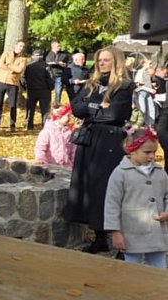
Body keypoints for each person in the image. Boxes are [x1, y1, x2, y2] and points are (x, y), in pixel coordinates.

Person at [63, 46, 134, 254]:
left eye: (106, 60)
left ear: (116, 61)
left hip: (109, 141)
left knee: (108, 188)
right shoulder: (92, 83)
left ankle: (119, 241)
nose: (101, 63)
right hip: (89, 138)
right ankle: (99, 238)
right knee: (90, 187)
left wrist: (91, 108)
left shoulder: (124, 85)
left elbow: (114, 114)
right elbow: (76, 107)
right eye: (99, 60)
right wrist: (98, 106)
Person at [105, 126, 168, 268]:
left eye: (154, 152)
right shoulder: (120, 173)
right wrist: (115, 232)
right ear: (132, 149)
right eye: (147, 152)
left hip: (156, 233)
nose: (152, 156)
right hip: (131, 233)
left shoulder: (160, 173)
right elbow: (111, 204)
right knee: (131, 269)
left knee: (158, 269)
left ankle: (157, 290)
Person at [0, 40, 28, 132]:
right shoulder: (7, 53)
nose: (21, 48)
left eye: (23, 47)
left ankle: (12, 124)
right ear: (16, 45)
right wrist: (13, 68)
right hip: (0, 80)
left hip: (13, 83)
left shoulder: (23, 59)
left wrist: (9, 65)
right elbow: (0, 65)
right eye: (20, 46)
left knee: (12, 104)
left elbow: (19, 70)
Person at [22, 49, 53, 130]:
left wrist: (25, 86)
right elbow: (50, 78)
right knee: (45, 109)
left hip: (31, 89)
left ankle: (29, 125)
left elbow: (22, 77)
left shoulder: (28, 66)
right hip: (44, 90)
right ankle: (45, 126)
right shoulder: (46, 65)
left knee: (30, 108)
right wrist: (50, 87)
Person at [45, 40, 71, 105]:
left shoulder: (64, 54)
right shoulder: (47, 54)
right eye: (57, 46)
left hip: (59, 74)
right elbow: (46, 62)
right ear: (52, 46)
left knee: (58, 90)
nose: (59, 47)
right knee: (47, 90)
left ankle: (57, 103)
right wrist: (57, 63)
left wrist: (65, 65)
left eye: (59, 46)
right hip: (49, 74)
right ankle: (47, 103)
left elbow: (70, 62)